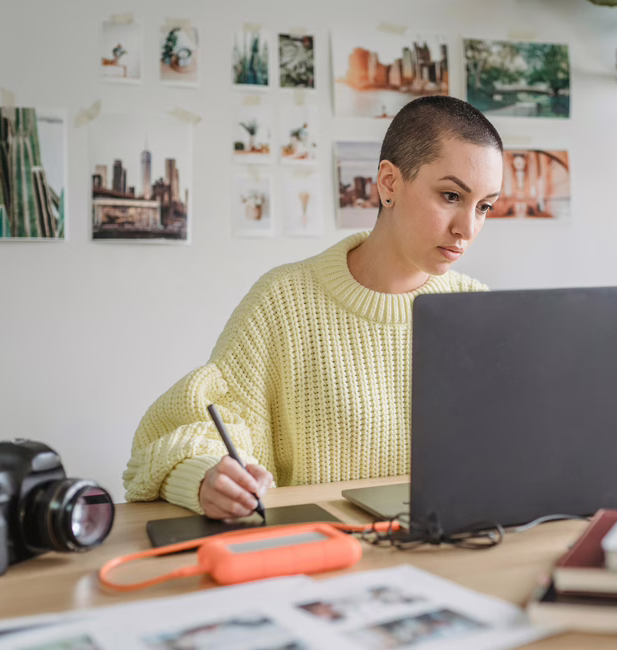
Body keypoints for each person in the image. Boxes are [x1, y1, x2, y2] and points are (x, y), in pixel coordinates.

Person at [123, 95, 503, 519]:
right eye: (451, 196)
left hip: (451, 556)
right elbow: (181, 433)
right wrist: (205, 477)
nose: (467, 228)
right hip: (321, 562)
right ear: (389, 183)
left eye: (484, 206)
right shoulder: (283, 301)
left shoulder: (477, 310)